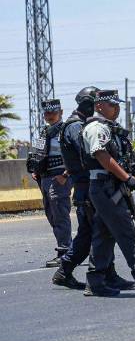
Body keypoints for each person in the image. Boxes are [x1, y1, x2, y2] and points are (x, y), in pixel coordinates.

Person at [80, 89, 135, 297]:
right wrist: (126, 177)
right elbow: (101, 155)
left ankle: (95, 282)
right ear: (99, 106)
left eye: (118, 105)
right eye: (112, 105)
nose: (117, 109)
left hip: (111, 187)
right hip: (104, 186)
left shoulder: (110, 128)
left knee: (103, 234)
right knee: (126, 232)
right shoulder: (95, 128)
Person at [51, 87, 134, 291]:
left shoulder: (78, 125)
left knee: (97, 232)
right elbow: (90, 156)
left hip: (87, 186)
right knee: (98, 232)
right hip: (87, 187)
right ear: (90, 104)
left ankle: (105, 274)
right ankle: (78, 272)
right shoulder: (76, 127)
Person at [27, 99, 71, 267]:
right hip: (44, 178)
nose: (49, 116)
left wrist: (65, 175)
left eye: (53, 113)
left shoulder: (66, 130)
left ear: (61, 113)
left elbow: (75, 156)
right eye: (46, 113)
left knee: (60, 213)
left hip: (59, 177)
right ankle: (69, 246)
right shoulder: (45, 132)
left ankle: (65, 251)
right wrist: (35, 170)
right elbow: (38, 154)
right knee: (51, 214)